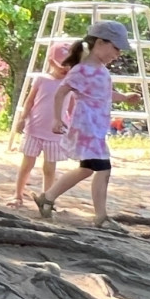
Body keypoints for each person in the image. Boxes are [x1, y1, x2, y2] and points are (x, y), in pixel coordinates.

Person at [32, 20, 138, 228]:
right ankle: (100, 217)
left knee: (87, 169)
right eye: (116, 48)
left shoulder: (99, 69)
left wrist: (124, 97)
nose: (117, 54)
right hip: (87, 126)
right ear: (100, 42)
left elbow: (103, 94)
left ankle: (47, 197)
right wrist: (56, 118)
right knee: (103, 168)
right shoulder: (81, 70)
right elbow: (61, 92)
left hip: (96, 128)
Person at [7, 43, 71, 208]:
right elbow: (30, 102)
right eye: (63, 64)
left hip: (55, 133)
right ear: (51, 62)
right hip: (34, 129)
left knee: (49, 168)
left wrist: (72, 127)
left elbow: (72, 109)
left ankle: (47, 198)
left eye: (71, 64)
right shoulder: (41, 80)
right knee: (27, 164)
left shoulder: (70, 84)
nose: (66, 69)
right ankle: (18, 194)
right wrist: (22, 118)